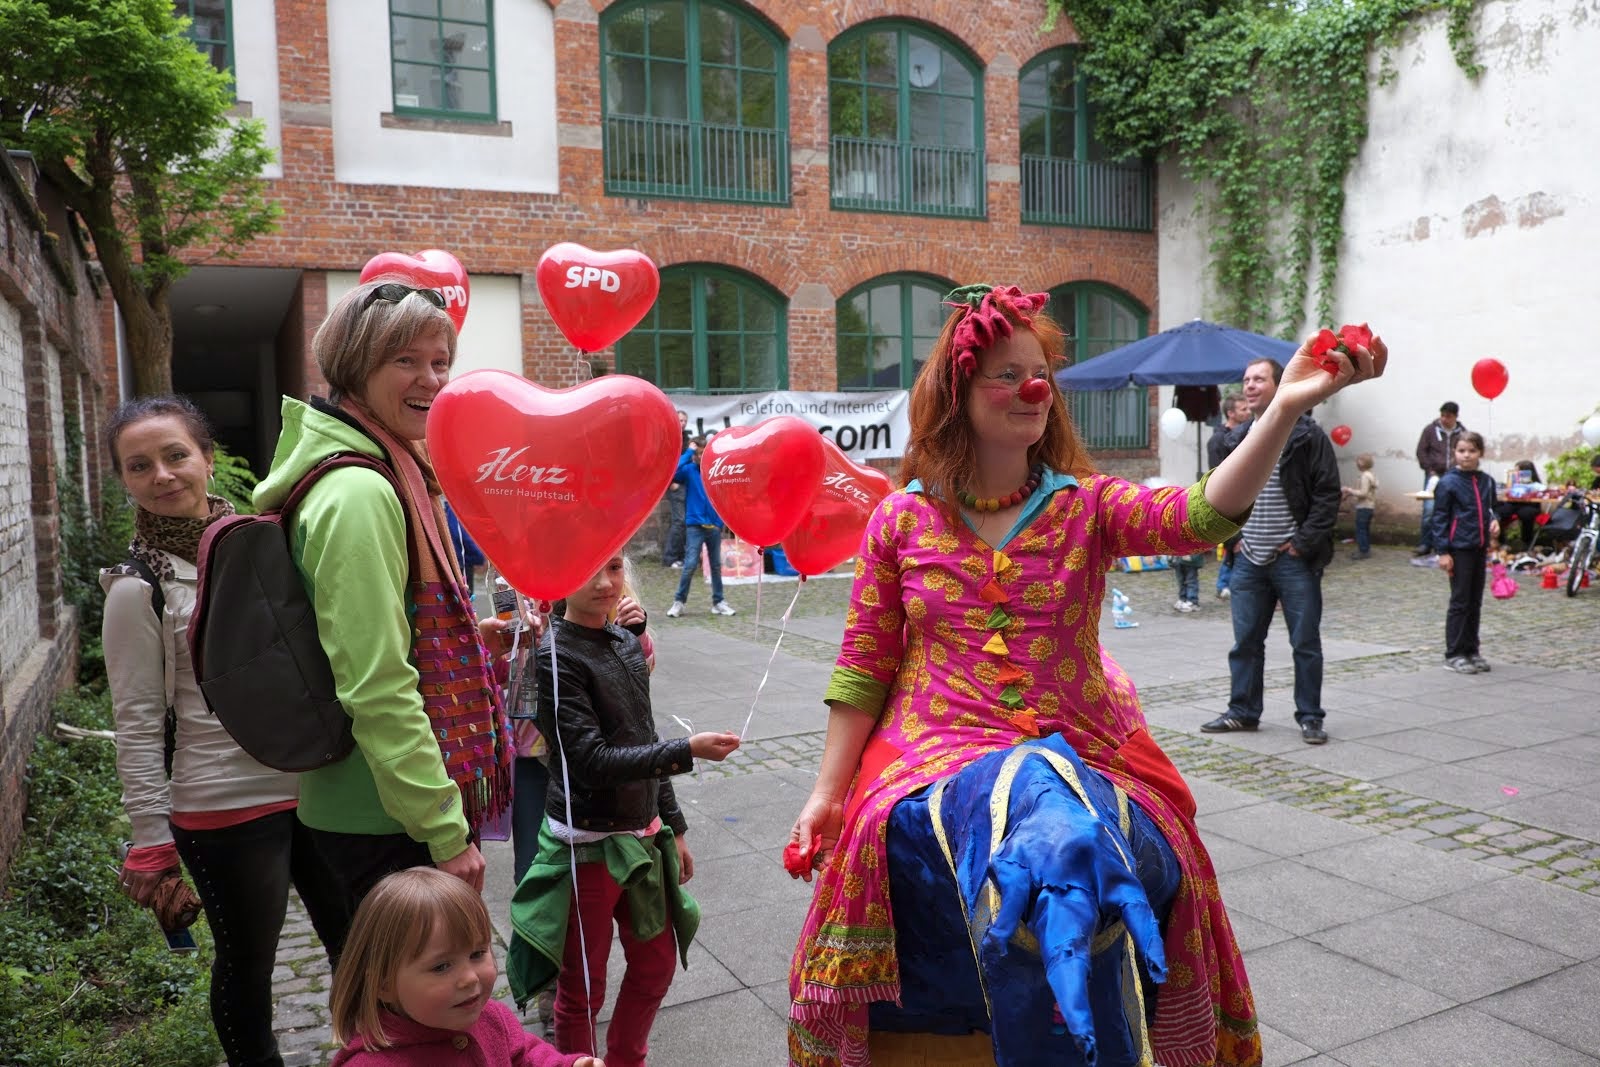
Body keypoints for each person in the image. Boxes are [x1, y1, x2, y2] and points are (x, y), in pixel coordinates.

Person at [784, 283, 1385, 1067]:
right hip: (932, 751)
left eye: (1039, 372)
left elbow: (1200, 515)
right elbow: (864, 664)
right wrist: (828, 793)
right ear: (956, 392)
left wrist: (1284, 410)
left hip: (1081, 747)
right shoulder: (900, 519)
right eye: (1004, 373)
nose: (1031, 388)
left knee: (1073, 806)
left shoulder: (1088, 507)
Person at [254, 279, 523, 934]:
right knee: (403, 1023)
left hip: (383, 805)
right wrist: (443, 832)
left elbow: (386, 638)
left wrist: (462, 643)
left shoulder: (396, 466)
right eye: (405, 360)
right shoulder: (360, 492)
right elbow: (377, 685)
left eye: (439, 361)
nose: (430, 379)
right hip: (383, 818)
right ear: (355, 365)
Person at [101, 394, 349, 1067]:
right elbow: (138, 722)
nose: (162, 474)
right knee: (248, 967)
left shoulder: (266, 543)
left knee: (357, 946)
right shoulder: (136, 588)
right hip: (223, 803)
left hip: (318, 780)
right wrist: (152, 843)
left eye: (176, 454)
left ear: (207, 460)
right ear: (125, 479)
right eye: (139, 464)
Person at [507, 555, 740, 1067]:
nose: (603, 582)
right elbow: (590, 761)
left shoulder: (623, 642)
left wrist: (674, 827)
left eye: (613, 567)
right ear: (556, 581)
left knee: (655, 966)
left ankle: (627, 1058)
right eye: (585, 568)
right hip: (585, 844)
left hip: (642, 836)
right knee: (583, 989)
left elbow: (642, 732)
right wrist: (688, 751)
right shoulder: (554, 655)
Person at [1202, 358, 1342, 745]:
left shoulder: (1308, 436)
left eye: (1259, 378)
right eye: (1246, 379)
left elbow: (1328, 494)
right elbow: (1213, 493)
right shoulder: (1233, 439)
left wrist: (1302, 544)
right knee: (1245, 642)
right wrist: (1233, 540)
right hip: (1248, 558)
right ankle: (1243, 711)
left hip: (1292, 559)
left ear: (1280, 384)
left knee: (1305, 642)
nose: (1249, 385)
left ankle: (1310, 716)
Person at [329, 867, 598, 1067]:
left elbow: (524, 1056)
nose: (470, 978)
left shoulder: (492, 1018)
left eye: (478, 953)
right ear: (383, 985)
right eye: (442, 966)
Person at [1431, 432, 1498, 674]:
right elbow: (1438, 519)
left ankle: (1471, 649)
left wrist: (1495, 522)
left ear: (1480, 453)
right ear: (1455, 453)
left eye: (1471, 450)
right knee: (1460, 601)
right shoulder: (1448, 483)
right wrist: (1442, 551)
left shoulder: (1487, 481)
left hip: (1479, 547)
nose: (1466, 455)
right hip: (1459, 549)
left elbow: (1493, 509)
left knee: (1475, 601)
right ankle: (1454, 653)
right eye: (1461, 450)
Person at [666, 434, 737, 617]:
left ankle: (718, 602)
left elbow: (724, 496)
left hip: (713, 526)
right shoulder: (689, 470)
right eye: (697, 453)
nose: (700, 457)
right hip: (695, 526)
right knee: (689, 565)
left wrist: (719, 522)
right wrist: (688, 451)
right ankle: (679, 602)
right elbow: (672, 473)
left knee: (715, 566)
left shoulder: (716, 471)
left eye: (703, 453)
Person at [1414, 401, 1466, 561]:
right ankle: (1425, 543)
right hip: (1433, 475)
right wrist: (1429, 469)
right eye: (1442, 415)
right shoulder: (1430, 430)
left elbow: (1465, 451)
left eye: (1448, 416)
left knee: (1450, 510)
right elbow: (1421, 451)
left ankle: (1444, 545)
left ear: (1455, 417)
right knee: (1429, 510)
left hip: (1453, 477)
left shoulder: (1462, 433)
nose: (1444, 419)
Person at [1210, 393, 1249, 597]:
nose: (1248, 412)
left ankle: (1226, 583)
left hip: (1248, 498)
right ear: (1231, 413)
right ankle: (1224, 583)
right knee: (1233, 544)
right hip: (1229, 503)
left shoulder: (1249, 434)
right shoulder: (1218, 440)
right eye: (1243, 409)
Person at [660, 410, 689, 568]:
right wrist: (670, 482)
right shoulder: (670, 438)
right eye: (680, 420)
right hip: (675, 486)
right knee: (679, 521)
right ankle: (669, 557)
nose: (682, 423)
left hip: (685, 485)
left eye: (685, 420)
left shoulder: (686, 439)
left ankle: (680, 557)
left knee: (683, 522)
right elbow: (667, 463)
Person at [1494, 460, 1543, 549]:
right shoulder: (1512, 481)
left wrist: (1528, 488)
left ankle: (1527, 542)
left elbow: (1539, 496)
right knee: (1500, 512)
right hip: (1514, 503)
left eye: (1518, 471)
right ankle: (1501, 540)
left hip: (1529, 505)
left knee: (1526, 514)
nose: (1516, 473)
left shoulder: (1536, 484)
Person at [1342, 451, 1379, 559]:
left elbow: (1363, 493)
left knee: (1361, 529)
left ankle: (1363, 551)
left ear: (1362, 463)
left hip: (1364, 507)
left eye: (1358, 460)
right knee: (1365, 529)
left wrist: (1348, 490)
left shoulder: (1365, 476)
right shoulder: (1370, 475)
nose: (1356, 463)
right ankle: (1365, 549)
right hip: (1369, 506)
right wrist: (1349, 493)